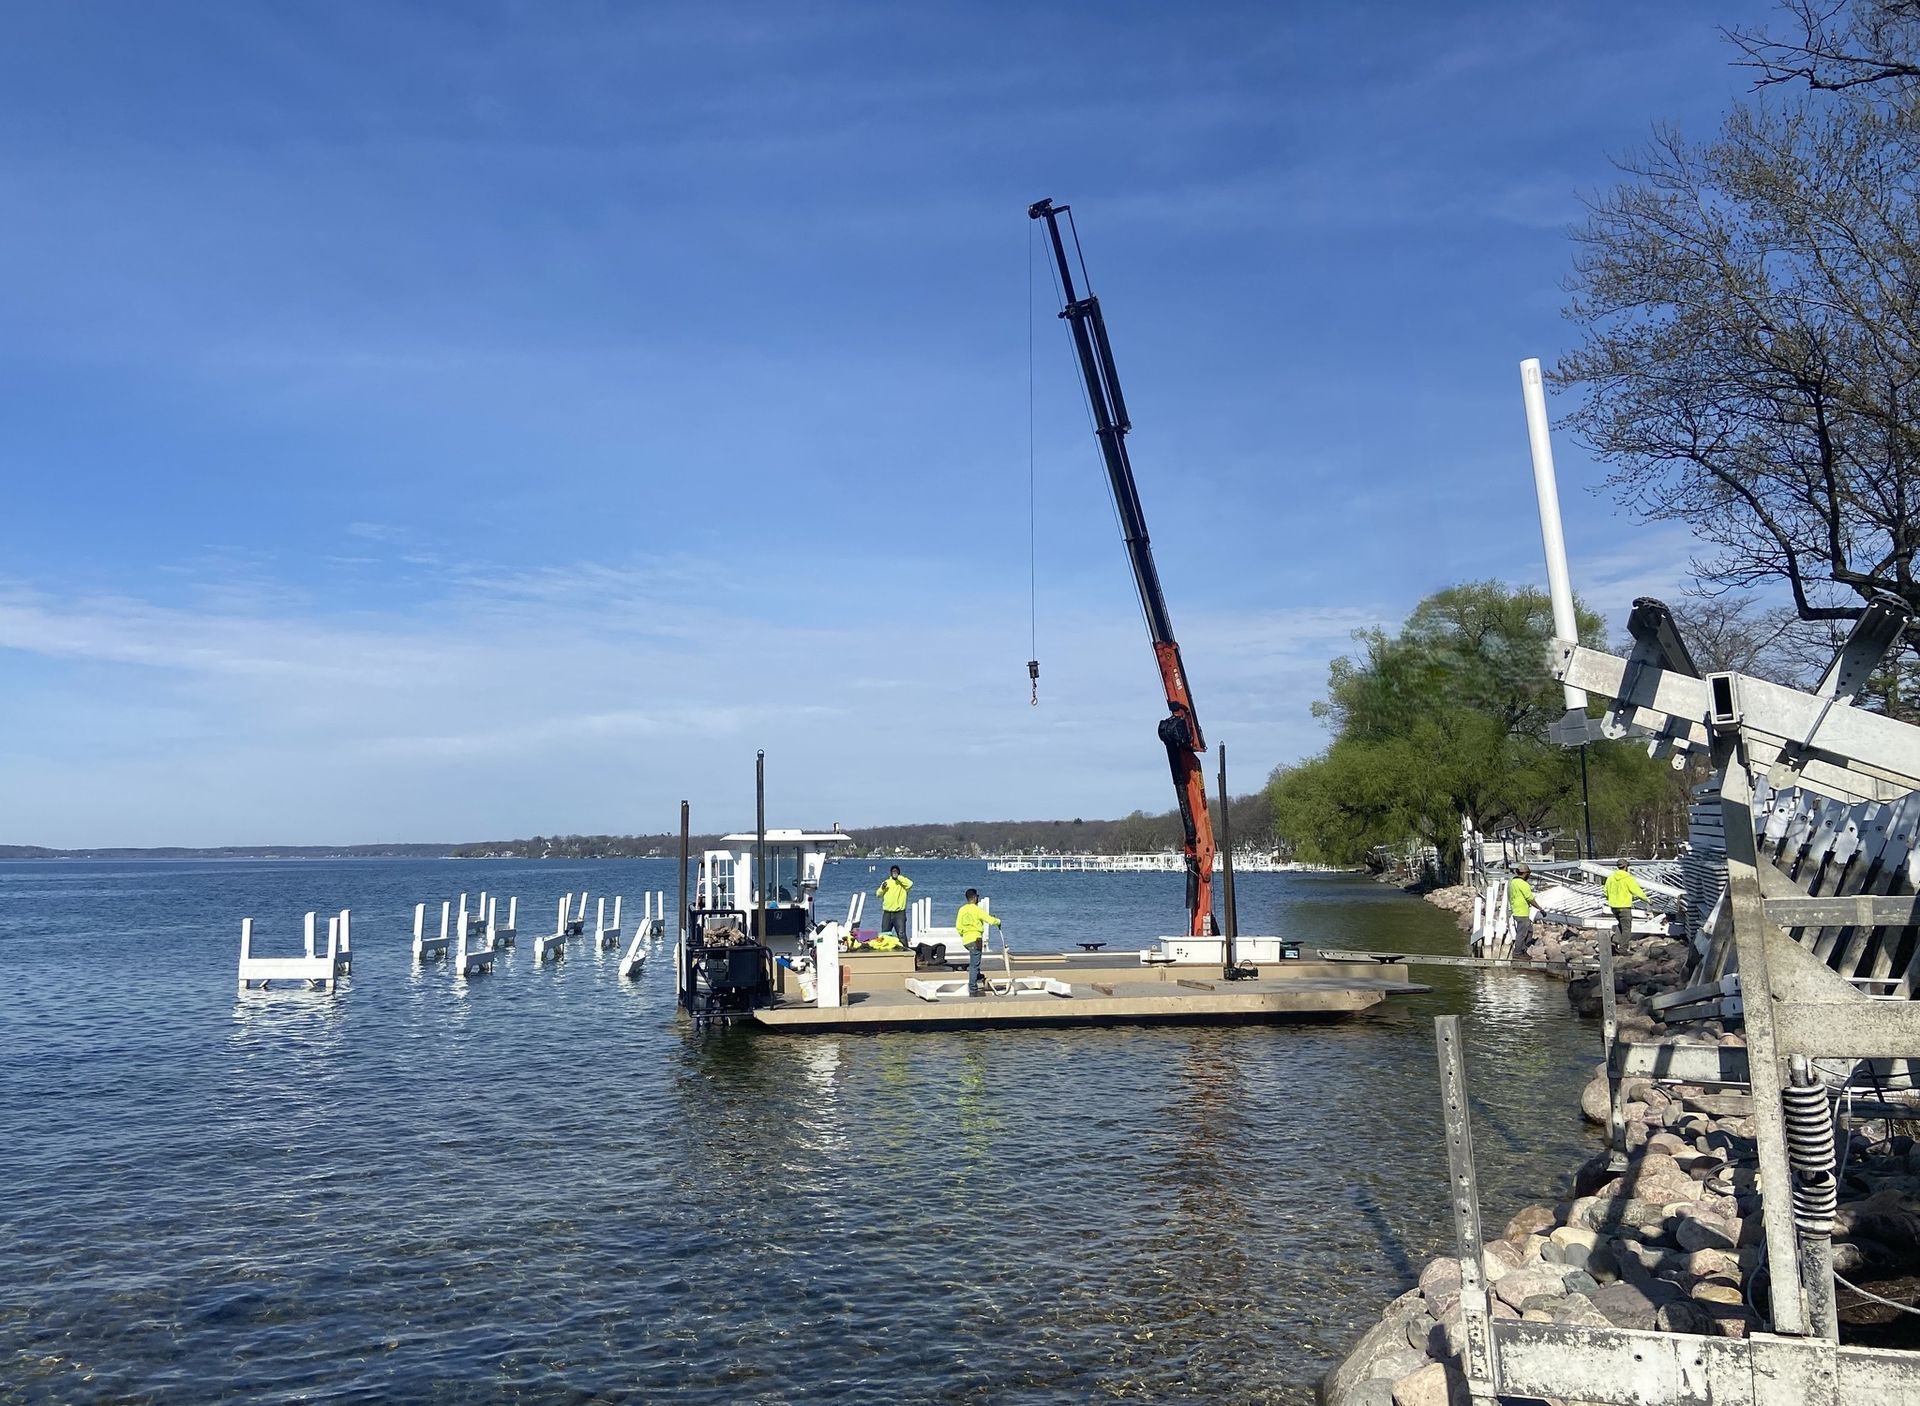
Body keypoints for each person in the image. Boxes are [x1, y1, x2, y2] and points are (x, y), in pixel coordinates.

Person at [955, 888, 1002, 996]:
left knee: (975, 962)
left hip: (966, 940)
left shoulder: (962, 909)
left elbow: (958, 926)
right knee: (974, 965)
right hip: (976, 940)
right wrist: (998, 921)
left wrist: (964, 934)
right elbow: (989, 919)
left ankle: (978, 977)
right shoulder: (977, 909)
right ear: (975, 897)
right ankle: (973, 989)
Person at [1604, 859, 1649, 956]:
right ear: (1626, 867)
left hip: (1614, 907)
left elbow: (1605, 891)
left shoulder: (1610, 878)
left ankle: (1615, 942)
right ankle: (1623, 949)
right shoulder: (1628, 878)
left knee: (1621, 924)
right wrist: (1647, 900)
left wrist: (1610, 899)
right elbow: (1636, 891)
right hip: (1624, 907)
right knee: (1626, 929)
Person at [875, 865, 913, 940]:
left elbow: (910, 884)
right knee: (885, 934)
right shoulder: (886, 882)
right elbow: (878, 894)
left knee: (901, 934)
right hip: (887, 913)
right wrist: (882, 888)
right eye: (893, 871)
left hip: (899, 913)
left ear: (899, 872)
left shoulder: (903, 883)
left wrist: (898, 877)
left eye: (896, 871)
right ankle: (886, 950)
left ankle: (905, 950)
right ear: (890, 873)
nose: (894, 873)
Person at [1508, 864, 1536, 948]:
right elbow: (1530, 898)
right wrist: (1540, 909)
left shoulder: (1512, 882)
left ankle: (1524, 948)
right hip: (1522, 912)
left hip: (1516, 910)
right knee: (1522, 934)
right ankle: (1518, 952)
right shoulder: (1523, 884)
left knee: (1529, 930)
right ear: (1525, 873)